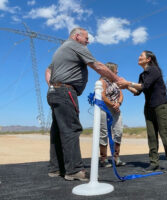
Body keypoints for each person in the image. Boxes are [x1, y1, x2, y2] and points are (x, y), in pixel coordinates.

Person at [45, 27, 128, 181]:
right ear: (77, 36)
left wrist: (53, 86)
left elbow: (48, 70)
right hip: (65, 92)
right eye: (86, 38)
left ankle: (56, 168)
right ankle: (74, 170)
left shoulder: (62, 49)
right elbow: (98, 66)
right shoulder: (75, 46)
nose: (88, 41)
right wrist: (117, 80)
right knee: (71, 129)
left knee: (57, 131)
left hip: (55, 92)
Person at [126, 50, 167, 173]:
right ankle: (154, 163)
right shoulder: (142, 75)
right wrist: (126, 87)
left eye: (141, 56)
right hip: (148, 107)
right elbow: (138, 92)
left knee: (164, 134)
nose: (138, 57)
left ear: (148, 59)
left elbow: (145, 86)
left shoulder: (154, 70)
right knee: (151, 136)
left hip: (160, 106)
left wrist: (128, 83)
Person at [99, 62, 126, 167]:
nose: (117, 71)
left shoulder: (116, 82)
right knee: (103, 132)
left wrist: (118, 103)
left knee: (118, 132)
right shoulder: (102, 81)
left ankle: (116, 158)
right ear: (109, 70)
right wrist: (112, 104)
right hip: (104, 109)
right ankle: (103, 159)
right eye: (116, 69)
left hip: (116, 109)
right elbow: (102, 96)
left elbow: (121, 94)